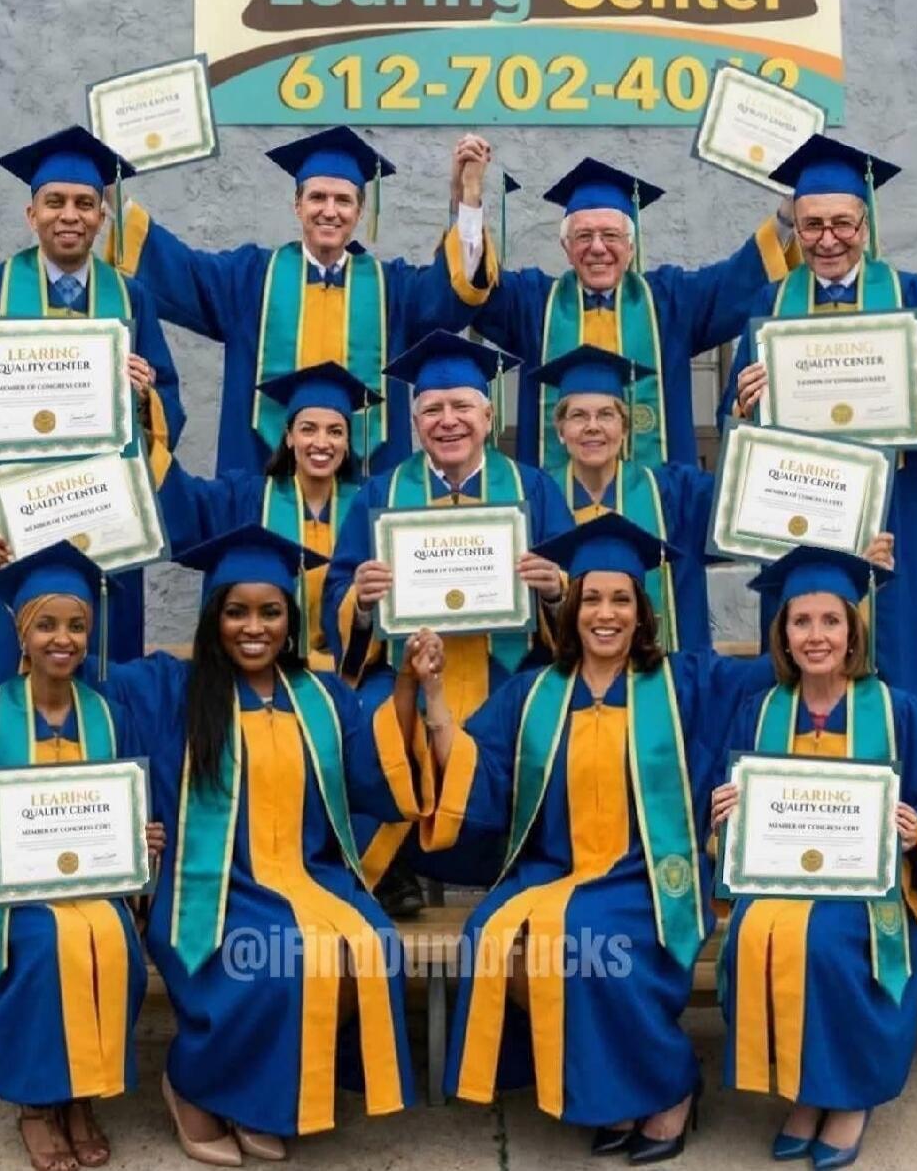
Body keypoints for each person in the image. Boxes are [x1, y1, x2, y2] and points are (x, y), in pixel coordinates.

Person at [405, 514, 777, 1159]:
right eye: (593, 600)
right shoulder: (535, 692)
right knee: (494, 932)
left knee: (597, 941)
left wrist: (841, 603)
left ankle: (666, 1089)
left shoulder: (687, 682)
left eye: (622, 600)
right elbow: (476, 769)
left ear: (643, 611)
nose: (606, 615)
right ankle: (623, 1093)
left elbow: (789, 672)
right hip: (554, 869)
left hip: (648, 871)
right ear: (573, 611)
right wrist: (434, 694)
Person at [92, 526, 424, 1162]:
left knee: (369, 946)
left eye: (270, 612)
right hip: (210, 882)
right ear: (213, 618)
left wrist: (406, 687)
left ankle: (253, 1099)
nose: (254, 627)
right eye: (236, 612)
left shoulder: (321, 698)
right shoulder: (170, 689)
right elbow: (74, 691)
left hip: (308, 876)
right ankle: (191, 1086)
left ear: (290, 620)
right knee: (270, 958)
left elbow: (372, 783)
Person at [0, 126, 185, 720]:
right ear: (30, 212)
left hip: (100, 525)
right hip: (6, 530)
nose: (70, 216)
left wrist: (144, 399)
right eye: (55, 202)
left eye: (85, 203)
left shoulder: (132, 300)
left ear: (102, 215)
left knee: (101, 677)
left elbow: (167, 404)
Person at [710, 547, 917, 1169]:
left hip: (871, 889)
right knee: (754, 931)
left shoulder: (895, 709)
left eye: (830, 621)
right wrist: (724, 816)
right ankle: (806, 1092)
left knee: (829, 941)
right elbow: (733, 824)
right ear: (783, 633)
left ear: (853, 631)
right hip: (783, 881)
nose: (816, 636)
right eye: (801, 622)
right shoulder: (761, 711)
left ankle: (850, 1096)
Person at [0, 543, 165, 1171]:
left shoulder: (110, 716)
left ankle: (80, 1095)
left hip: (92, 888)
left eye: (76, 626)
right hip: (11, 896)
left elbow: (132, 815)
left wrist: (144, 841)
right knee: (45, 941)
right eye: (46, 625)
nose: (63, 639)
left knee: (110, 933)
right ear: (22, 633)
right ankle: (37, 1104)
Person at [724, 135, 917, 718]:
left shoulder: (908, 295)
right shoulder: (770, 306)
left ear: (865, 226)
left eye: (842, 223)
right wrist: (742, 408)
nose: (828, 239)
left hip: (892, 511)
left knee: (892, 666)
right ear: (799, 228)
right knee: (803, 663)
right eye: (812, 226)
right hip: (800, 518)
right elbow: (734, 421)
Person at [322, 330, 573, 890]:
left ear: (488, 416)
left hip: (510, 670)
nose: (448, 421)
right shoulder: (381, 496)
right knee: (365, 722)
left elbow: (578, 585)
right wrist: (359, 603)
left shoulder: (532, 490)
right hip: (404, 671)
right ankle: (391, 868)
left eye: (462, 406)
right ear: (415, 425)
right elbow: (338, 589)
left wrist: (556, 589)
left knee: (547, 720)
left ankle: (529, 856)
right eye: (432, 409)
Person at [103, 128, 495, 476]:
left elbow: (449, 297)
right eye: (317, 197)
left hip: (365, 481)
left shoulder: (391, 288)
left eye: (343, 200)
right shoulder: (250, 278)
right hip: (266, 475)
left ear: (359, 211)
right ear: (297, 206)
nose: (329, 211)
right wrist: (110, 194)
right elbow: (180, 269)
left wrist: (468, 202)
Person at [0, 363, 378, 675]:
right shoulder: (244, 499)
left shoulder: (368, 507)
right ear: (288, 437)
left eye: (335, 432)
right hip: (249, 673)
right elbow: (185, 506)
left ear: (347, 440)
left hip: (341, 676)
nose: (321, 443)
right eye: (308, 429)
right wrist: (139, 425)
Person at [443, 141, 798, 470]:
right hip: (559, 507)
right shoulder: (535, 304)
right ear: (566, 247)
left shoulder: (670, 302)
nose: (598, 247)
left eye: (611, 235)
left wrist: (787, 216)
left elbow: (737, 279)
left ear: (631, 245)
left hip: (655, 501)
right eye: (584, 236)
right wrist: (469, 200)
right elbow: (476, 281)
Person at [531, 343, 716, 650]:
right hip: (568, 678)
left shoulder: (675, 492)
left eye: (606, 415)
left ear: (625, 427)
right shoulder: (536, 497)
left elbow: (747, 503)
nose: (593, 427)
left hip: (664, 676)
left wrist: (750, 419)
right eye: (578, 416)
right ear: (560, 430)